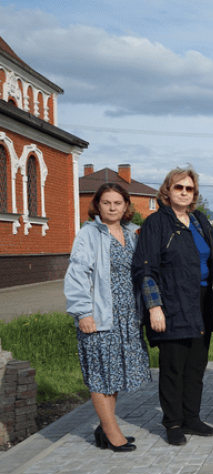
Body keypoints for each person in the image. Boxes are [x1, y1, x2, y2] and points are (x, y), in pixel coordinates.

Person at [132, 166, 213, 446]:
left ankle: (191, 418)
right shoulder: (156, 223)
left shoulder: (201, 221)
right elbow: (146, 268)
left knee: (196, 365)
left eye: (189, 188)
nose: (183, 192)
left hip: (202, 301)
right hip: (171, 302)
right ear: (167, 191)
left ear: (194, 194)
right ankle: (172, 422)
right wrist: (153, 307)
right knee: (173, 367)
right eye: (178, 187)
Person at [65, 183, 151, 452]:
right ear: (97, 206)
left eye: (118, 203)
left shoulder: (131, 234)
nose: (112, 208)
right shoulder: (89, 234)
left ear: (126, 206)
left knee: (114, 373)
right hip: (100, 315)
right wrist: (82, 312)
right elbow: (77, 273)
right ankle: (112, 433)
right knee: (101, 374)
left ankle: (105, 428)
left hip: (127, 317)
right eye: (106, 203)